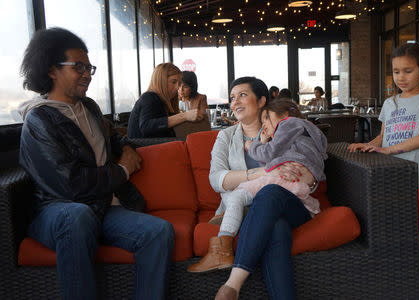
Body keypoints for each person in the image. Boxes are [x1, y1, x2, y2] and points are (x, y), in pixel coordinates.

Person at [18, 27, 174, 300]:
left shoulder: (88, 106)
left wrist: (125, 147)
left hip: (102, 208)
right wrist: (124, 170)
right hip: (57, 210)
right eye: (78, 67)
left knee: (158, 231)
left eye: (90, 67)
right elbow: (71, 185)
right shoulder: (39, 120)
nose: (87, 74)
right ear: (51, 69)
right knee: (75, 216)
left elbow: (111, 135)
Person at [188, 76, 315, 299]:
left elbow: (307, 165)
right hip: (247, 211)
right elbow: (216, 179)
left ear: (261, 100)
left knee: (270, 192)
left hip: (290, 203)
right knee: (276, 226)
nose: (235, 101)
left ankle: (232, 285)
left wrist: (306, 176)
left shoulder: (283, 131)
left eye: (242, 95)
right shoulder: (225, 137)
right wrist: (264, 172)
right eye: (232, 97)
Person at [348, 43, 419, 272]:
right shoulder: (391, 103)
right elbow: (385, 135)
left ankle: (415, 268)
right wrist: (368, 145)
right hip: (389, 173)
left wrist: (389, 150)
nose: (401, 77)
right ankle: (395, 265)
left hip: (418, 174)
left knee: (417, 222)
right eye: (396, 71)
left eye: (408, 71)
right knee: (392, 220)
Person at [127, 63, 202, 138]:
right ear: (161, 82)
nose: (177, 88)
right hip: (142, 148)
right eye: (173, 82)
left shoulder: (164, 101)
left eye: (178, 83)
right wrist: (184, 116)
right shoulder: (149, 97)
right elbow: (146, 127)